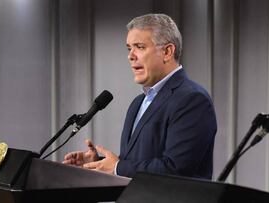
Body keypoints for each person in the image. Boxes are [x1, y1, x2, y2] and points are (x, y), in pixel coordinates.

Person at [63, 13, 217, 179]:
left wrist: (117, 168)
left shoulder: (192, 100)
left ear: (167, 51)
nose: (131, 56)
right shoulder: (138, 103)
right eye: (129, 48)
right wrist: (99, 164)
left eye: (140, 47)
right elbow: (137, 162)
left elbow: (176, 169)